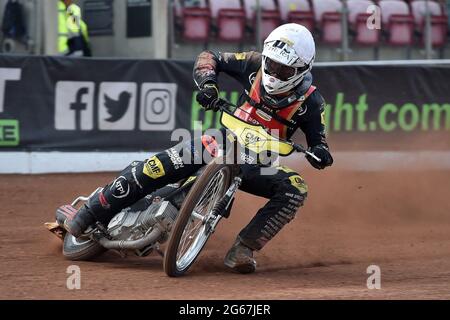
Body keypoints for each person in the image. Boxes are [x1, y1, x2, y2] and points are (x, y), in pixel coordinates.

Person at [58, 23, 334, 274]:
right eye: (271, 65)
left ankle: (244, 248)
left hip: (261, 163)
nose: (274, 73)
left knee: (296, 188)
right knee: (156, 167)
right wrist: (208, 85)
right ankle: (91, 212)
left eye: (284, 70)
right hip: (220, 142)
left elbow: (319, 143)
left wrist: (320, 153)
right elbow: (209, 57)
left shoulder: (313, 102)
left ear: (302, 70)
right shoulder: (252, 63)